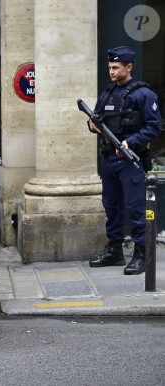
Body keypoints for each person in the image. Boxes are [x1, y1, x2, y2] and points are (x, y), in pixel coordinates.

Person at [87, 46, 162, 275]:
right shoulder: (107, 94)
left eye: (115, 67)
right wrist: (92, 125)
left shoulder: (144, 94)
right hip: (109, 161)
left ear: (128, 67)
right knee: (112, 207)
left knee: (136, 208)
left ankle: (141, 253)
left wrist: (131, 142)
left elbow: (154, 126)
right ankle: (115, 251)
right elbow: (96, 121)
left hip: (131, 161)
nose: (111, 71)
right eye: (109, 67)